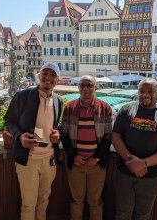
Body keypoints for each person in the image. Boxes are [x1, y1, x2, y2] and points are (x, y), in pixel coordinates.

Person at [112, 78, 157, 220]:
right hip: (124, 172)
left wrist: (143, 164)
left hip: (151, 176)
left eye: (150, 91)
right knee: (122, 212)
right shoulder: (126, 110)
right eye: (142, 91)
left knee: (143, 215)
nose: (145, 95)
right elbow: (116, 136)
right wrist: (132, 162)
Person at [4, 62, 63, 220]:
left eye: (53, 75)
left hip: (49, 159)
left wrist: (59, 134)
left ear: (57, 80)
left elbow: (57, 126)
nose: (48, 78)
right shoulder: (22, 96)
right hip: (28, 160)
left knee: (44, 200)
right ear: (39, 75)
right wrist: (19, 136)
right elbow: (9, 120)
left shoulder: (58, 100)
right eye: (45, 73)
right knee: (28, 204)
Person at [61, 75, 112, 220]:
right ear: (78, 88)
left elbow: (109, 136)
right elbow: (63, 134)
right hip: (76, 164)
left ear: (95, 88)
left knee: (95, 201)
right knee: (76, 200)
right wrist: (73, 156)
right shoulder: (70, 108)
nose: (85, 88)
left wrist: (96, 158)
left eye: (89, 85)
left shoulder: (105, 108)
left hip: (96, 165)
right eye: (82, 85)